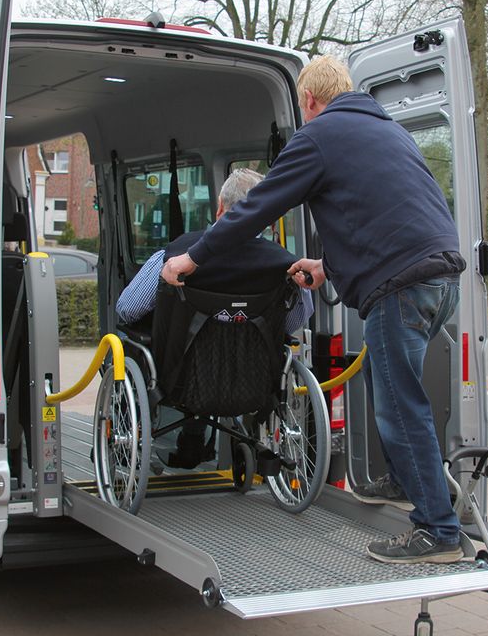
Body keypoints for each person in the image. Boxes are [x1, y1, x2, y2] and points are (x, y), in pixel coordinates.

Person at [161, 56, 467, 564]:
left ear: (308, 100)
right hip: (441, 277)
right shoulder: (389, 133)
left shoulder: (320, 135)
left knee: (399, 402)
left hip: (401, 284)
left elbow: (255, 210)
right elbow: (384, 215)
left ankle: (438, 530)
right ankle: (405, 479)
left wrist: (192, 258)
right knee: (391, 387)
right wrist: (327, 266)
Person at [117, 168, 313, 469]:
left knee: (130, 341)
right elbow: (294, 321)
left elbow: (127, 309)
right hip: (255, 382)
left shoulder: (175, 257)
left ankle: (149, 436)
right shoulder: (286, 265)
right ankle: (203, 442)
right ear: (267, 217)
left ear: (220, 207)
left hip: (179, 381)